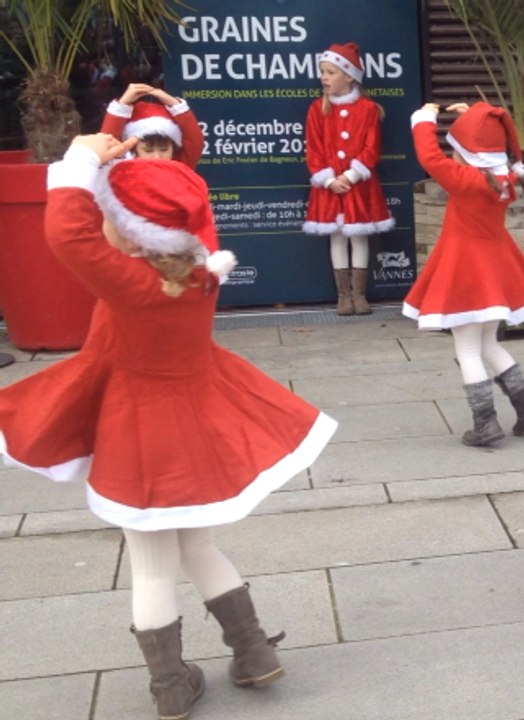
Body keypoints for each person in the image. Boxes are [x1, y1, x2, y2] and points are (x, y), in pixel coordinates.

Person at [0, 134, 338, 720]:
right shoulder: (201, 272)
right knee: (200, 543)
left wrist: (81, 161)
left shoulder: (129, 282)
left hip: (141, 438)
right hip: (202, 426)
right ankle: (254, 653)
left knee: (152, 563)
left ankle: (172, 687)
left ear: (129, 233)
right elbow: (178, 204)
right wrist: (116, 166)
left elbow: (67, 233)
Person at [403, 101, 524, 448]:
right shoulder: (509, 179)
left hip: (465, 271)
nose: (451, 156)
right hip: (497, 269)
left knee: (467, 350)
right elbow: (498, 152)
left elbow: (429, 158)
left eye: (457, 149)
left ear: (467, 156)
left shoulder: (465, 180)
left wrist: (424, 119)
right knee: (488, 343)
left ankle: (485, 423)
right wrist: (473, 121)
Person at [302, 42, 394, 316]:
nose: (324, 78)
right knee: (338, 237)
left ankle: (359, 295)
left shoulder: (368, 110)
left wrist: (352, 174)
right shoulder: (317, 109)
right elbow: (313, 149)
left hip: (359, 185)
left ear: (350, 76)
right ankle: (343, 296)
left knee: (359, 235)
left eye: (330, 72)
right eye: (323, 72)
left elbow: (372, 148)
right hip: (331, 187)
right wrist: (329, 180)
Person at [101, 83, 204, 167]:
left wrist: (175, 105)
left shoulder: (180, 168)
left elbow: (195, 143)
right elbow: (107, 146)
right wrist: (122, 104)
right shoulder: (123, 170)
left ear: (174, 150)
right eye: (148, 150)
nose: (157, 157)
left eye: (164, 149)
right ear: (134, 150)